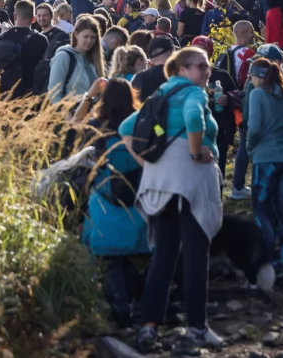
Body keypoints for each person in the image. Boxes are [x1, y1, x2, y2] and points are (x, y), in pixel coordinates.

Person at [122, 47, 225, 354]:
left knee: (164, 254)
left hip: (160, 183)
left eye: (207, 66)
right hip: (190, 183)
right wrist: (195, 153)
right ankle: (197, 328)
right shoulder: (193, 94)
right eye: (200, 66)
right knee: (195, 253)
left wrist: (148, 164)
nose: (206, 71)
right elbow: (195, 118)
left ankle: (149, 326)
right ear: (182, 70)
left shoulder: (159, 96)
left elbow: (126, 129)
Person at [70, 77, 151, 328]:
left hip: (106, 200)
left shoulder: (97, 126)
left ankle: (120, 308)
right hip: (140, 199)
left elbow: (73, 123)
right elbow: (160, 136)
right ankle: (149, 304)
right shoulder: (140, 122)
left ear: (104, 100)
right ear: (131, 97)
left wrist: (88, 95)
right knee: (144, 254)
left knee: (111, 256)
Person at [244, 57, 283, 274]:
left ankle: (267, 260)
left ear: (258, 76)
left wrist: (250, 149)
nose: (249, 79)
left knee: (261, 211)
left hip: (264, 158)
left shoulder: (258, 94)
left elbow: (254, 128)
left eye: (250, 75)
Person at [0, 0, 49, 99]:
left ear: (14, 16)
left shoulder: (2, 38)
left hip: (3, 98)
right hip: (28, 99)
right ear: (33, 19)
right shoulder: (40, 40)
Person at [191, 36, 239, 181]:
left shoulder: (221, 75)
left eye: (204, 51)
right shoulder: (186, 76)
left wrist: (227, 99)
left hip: (219, 130)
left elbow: (236, 97)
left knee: (218, 171)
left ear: (210, 54)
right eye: (197, 50)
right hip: (194, 131)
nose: (200, 55)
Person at [48, 15, 105, 104]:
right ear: (76, 34)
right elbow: (54, 93)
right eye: (86, 36)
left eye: (93, 37)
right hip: (70, 112)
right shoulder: (64, 57)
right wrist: (67, 115)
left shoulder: (94, 60)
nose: (89, 41)